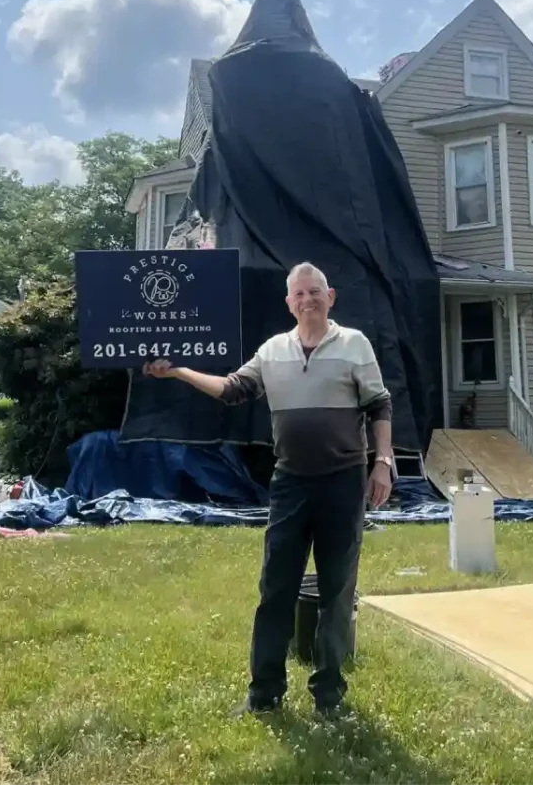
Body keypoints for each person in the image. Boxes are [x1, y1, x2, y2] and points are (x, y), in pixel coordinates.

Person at [144, 261, 394, 717]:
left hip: (343, 482)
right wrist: (179, 371)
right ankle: (264, 695)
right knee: (275, 588)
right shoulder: (273, 350)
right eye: (299, 294)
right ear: (289, 303)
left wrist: (384, 461)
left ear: (330, 296)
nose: (307, 300)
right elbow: (232, 389)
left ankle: (329, 697)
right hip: (290, 484)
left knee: (337, 590)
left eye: (315, 291)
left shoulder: (354, 344)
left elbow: (379, 403)